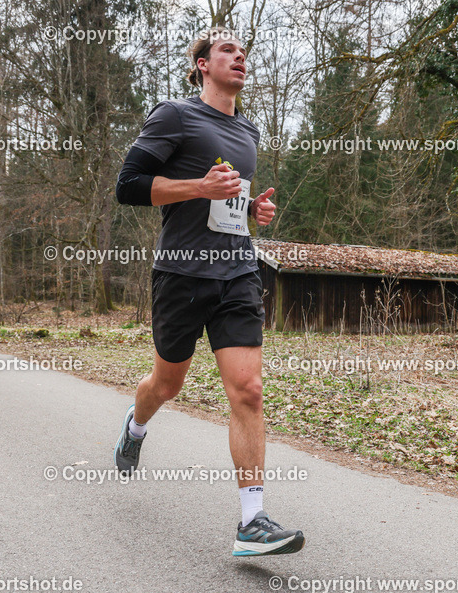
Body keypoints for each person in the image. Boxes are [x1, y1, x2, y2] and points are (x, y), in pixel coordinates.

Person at [113, 26, 302, 557]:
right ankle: (135, 425)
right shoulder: (174, 115)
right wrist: (197, 185)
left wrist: (254, 212)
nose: (240, 59)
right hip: (181, 272)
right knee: (166, 383)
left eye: (244, 54)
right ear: (202, 64)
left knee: (249, 390)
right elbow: (128, 186)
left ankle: (252, 521)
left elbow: (229, 204)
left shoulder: (249, 132)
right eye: (227, 52)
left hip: (237, 271)